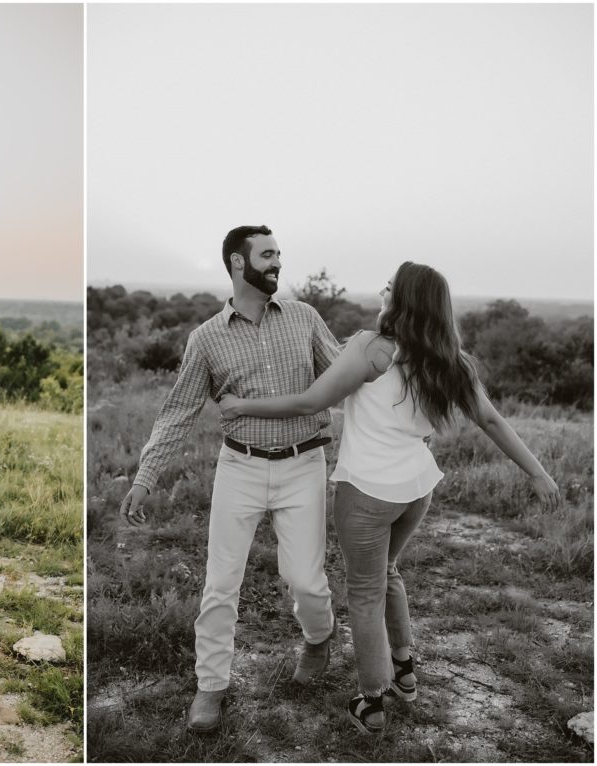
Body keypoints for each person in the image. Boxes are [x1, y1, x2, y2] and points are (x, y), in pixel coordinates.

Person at [218, 260, 559, 734]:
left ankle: (371, 701)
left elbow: (310, 402)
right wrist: (538, 474)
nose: (383, 289)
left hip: (366, 494)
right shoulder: (450, 362)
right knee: (388, 572)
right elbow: (493, 421)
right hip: (416, 490)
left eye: (390, 286)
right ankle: (404, 669)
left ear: (404, 301)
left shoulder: (371, 348)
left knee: (364, 594)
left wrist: (241, 404)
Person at [120, 225, 342, 733]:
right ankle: (211, 686)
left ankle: (318, 637)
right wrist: (145, 477)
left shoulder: (305, 318)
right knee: (220, 585)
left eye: (279, 254)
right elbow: (178, 412)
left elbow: (342, 378)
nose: (277, 263)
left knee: (305, 580)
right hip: (239, 466)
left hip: (304, 462)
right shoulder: (206, 339)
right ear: (238, 264)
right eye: (267, 255)